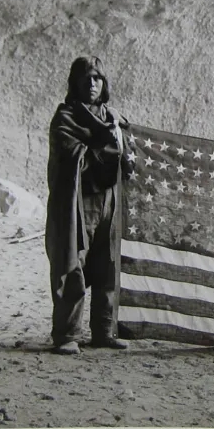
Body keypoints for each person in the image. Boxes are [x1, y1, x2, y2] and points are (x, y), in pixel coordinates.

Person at [45, 55, 135, 354]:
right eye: (86, 78)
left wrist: (121, 142)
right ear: (75, 83)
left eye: (97, 78)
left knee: (108, 265)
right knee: (73, 265)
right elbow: (70, 157)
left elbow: (128, 155)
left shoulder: (114, 118)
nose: (92, 83)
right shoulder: (65, 118)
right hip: (79, 202)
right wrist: (105, 146)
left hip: (110, 200)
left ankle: (104, 330)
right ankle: (67, 334)